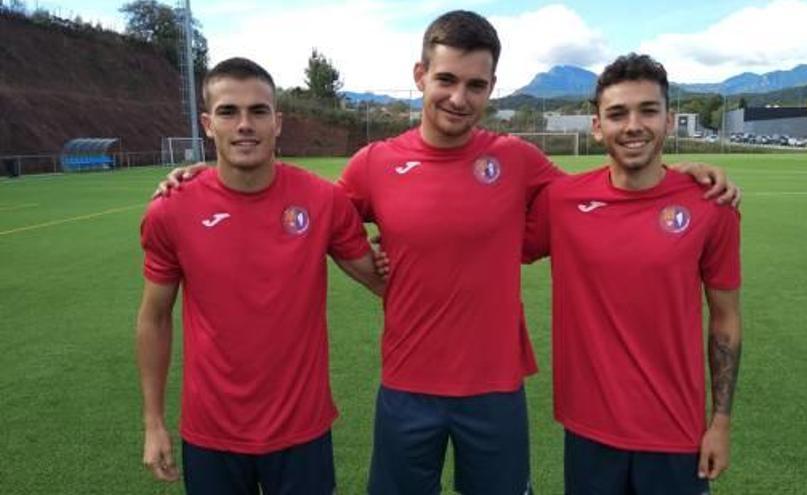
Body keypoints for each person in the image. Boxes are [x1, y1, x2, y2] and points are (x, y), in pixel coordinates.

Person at [156, 12, 739, 494]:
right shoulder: (375, 164)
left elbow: (608, 190)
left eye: (476, 85)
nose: (460, 97)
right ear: (420, 75)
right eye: (447, 80)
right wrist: (202, 178)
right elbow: (298, 212)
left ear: (492, 87)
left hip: (495, 389)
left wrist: (684, 175)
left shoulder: (515, 159)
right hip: (406, 387)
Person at [136, 57, 384, 495]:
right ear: (209, 124)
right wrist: (153, 422)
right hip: (211, 433)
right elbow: (154, 318)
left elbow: (382, 280)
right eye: (229, 112)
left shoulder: (322, 200)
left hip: (302, 431)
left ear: (278, 122)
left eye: (258, 111)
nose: (245, 124)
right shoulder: (171, 210)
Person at [523, 53, 742, 494]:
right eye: (618, 113)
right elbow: (488, 245)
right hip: (589, 430)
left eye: (648, 110)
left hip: (676, 432)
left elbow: (726, 321)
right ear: (597, 126)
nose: (633, 125)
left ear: (669, 119)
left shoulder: (710, 205)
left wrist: (720, 422)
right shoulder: (562, 201)